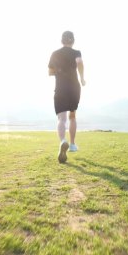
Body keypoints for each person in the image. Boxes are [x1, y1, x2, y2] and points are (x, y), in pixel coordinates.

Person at [48, 31, 86, 163]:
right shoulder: (76, 52)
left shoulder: (55, 53)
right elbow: (79, 63)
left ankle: (63, 141)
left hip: (60, 88)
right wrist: (82, 78)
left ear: (61, 41)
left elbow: (50, 72)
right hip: (74, 87)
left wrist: (59, 72)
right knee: (72, 116)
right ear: (73, 41)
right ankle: (73, 145)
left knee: (61, 118)